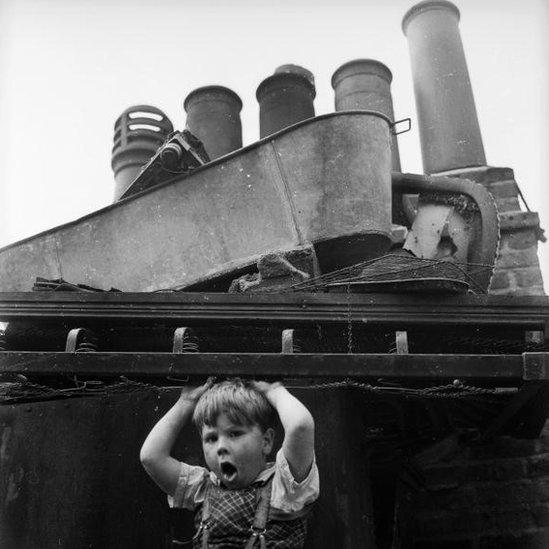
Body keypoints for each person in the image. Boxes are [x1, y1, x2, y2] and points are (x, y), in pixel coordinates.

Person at [140, 378, 318, 548]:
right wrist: (186, 401)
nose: (221, 447)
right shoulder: (201, 488)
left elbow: (300, 426)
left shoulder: (285, 487)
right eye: (211, 438)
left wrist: (274, 390)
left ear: (266, 441)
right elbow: (151, 457)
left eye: (234, 434)